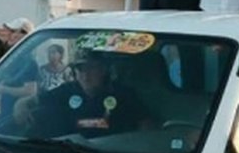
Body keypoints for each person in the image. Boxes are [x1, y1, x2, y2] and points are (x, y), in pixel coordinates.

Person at [13, 50, 150, 138]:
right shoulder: (67, 91)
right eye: (80, 69)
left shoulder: (123, 95)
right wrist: (20, 106)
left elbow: (146, 126)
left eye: (91, 68)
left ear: (103, 70)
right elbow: (30, 101)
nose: (85, 74)